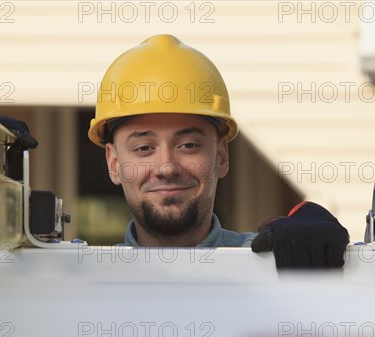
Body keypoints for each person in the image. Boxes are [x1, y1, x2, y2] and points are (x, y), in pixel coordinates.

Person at [86, 34, 350, 268]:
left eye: (188, 145)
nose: (166, 167)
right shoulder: (79, 277)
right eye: (144, 148)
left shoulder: (268, 264)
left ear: (221, 156)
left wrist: (332, 275)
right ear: (113, 163)